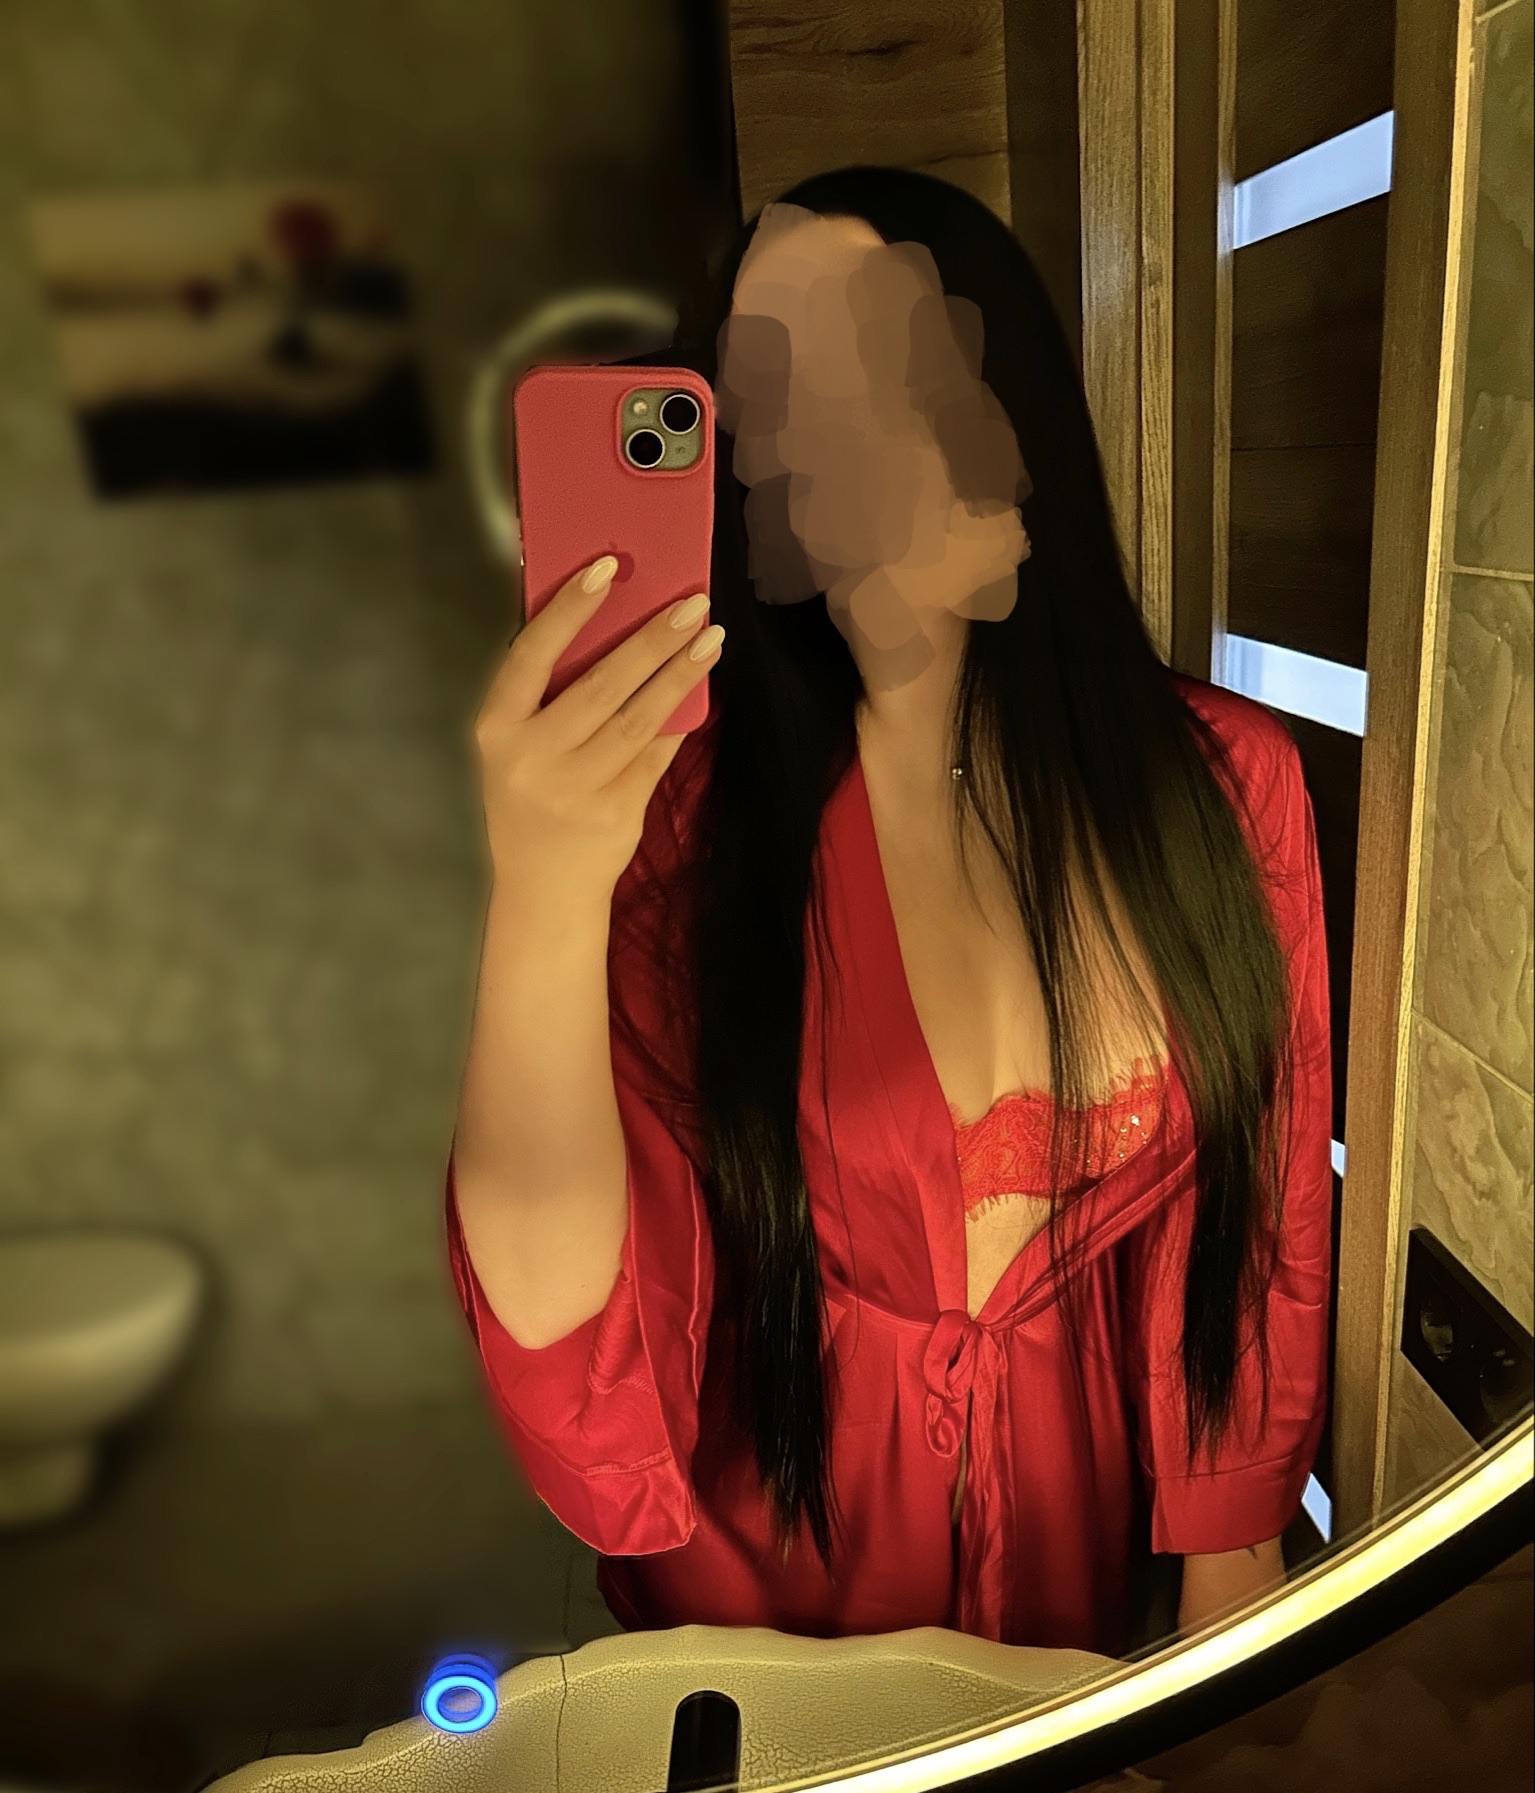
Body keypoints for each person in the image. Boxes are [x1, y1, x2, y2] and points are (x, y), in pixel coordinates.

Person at [445, 167, 1333, 1658]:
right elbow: (567, 1333)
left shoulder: (1227, 789)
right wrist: (540, 891)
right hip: (767, 1617)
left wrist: (1224, 1596)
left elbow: (1255, 1229)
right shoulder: (679, 824)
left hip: (1077, 1586)